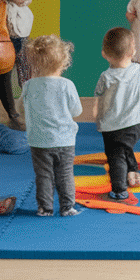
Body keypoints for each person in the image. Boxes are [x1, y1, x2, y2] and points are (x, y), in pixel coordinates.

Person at [22, 34, 83, 217]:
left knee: (44, 175)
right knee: (65, 174)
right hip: (64, 139)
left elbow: (22, 107)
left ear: (33, 63)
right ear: (63, 62)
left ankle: (45, 208)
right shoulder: (67, 85)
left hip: (39, 141)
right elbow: (76, 110)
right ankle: (67, 207)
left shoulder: (29, 85)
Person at [95, 26, 140, 200]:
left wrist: (98, 118)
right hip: (135, 123)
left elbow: (100, 100)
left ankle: (119, 190)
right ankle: (132, 174)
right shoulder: (139, 70)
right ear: (133, 51)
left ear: (104, 54)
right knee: (126, 147)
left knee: (115, 155)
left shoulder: (106, 76)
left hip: (113, 126)